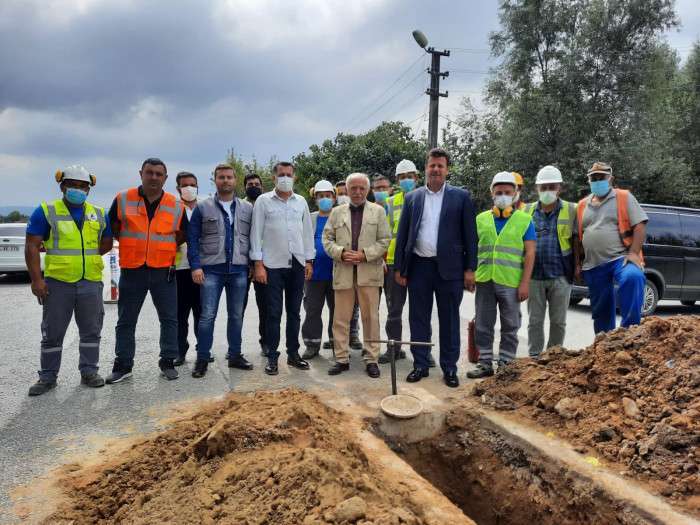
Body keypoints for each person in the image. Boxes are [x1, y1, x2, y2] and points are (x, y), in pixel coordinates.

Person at [394, 149, 478, 388]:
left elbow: (470, 236)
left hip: (450, 270)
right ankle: (420, 364)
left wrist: (470, 268)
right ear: (426, 169)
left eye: (440, 166)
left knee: (450, 320)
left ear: (447, 170)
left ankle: (449, 368)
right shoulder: (413, 198)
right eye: (432, 165)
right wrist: (400, 268)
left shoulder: (461, 197)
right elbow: (403, 236)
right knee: (418, 318)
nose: (436, 169)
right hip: (419, 267)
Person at [25, 166, 112, 395]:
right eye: (72, 185)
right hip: (58, 283)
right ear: (62, 186)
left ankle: (89, 371)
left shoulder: (99, 213)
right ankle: (47, 377)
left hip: (90, 281)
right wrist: (36, 281)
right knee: (52, 332)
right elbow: (32, 246)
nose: (78, 190)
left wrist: (87, 259)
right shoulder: (46, 211)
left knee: (91, 330)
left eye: (83, 186)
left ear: (89, 190)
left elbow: (106, 242)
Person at [106, 158, 187, 383]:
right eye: (149, 172)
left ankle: (168, 361)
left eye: (158, 174)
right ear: (141, 173)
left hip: (164, 270)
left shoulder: (176, 204)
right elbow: (112, 228)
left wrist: (161, 248)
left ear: (165, 178)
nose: (154, 177)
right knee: (126, 320)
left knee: (169, 319)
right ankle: (123, 365)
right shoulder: (123, 199)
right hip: (133, 269)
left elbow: (182, 234)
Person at [187, 164, 254, 378]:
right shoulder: (203, 207)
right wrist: (196, 266)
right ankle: (202, 358)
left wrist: (253, 264)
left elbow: (253, 238)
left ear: (235, 180)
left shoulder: (247, 208)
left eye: (229, 177)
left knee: (236, 315)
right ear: (215, 180)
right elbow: (192, 238)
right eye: (221, 177)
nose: (225, 180)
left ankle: (235, 355)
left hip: (239, 270)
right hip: (211, 271)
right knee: (207, 316)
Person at [467, 171, 536, 379]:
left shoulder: (525, 220)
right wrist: (470, 273)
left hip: (511, 282)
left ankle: (506, 364)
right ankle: (485, 363)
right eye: (499, 192)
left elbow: (530, 253)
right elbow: (472, 249)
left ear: (515, 193)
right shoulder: (480, 219)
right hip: (485, 279)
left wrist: (525, 283)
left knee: (510, 325)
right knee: (483, 324)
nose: (503, 196)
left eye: (507, 192)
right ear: (492, 194)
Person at [250, 161, 315, 375]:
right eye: (281, 174)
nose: (285, 178)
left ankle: (293, 354)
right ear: (274, 177)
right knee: (273, 313)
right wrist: (258, 264)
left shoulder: (301, 201)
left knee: (294, 312)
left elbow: (307, 233)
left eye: (289, 174)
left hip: (297, 263)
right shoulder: (263, 201)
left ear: (294, 177)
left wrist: (308, 260)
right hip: (272, 265)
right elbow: (256, 233)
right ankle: (272, 357)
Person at [323, 173, 391, 377]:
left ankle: (371, 359)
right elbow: (327, 239)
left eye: (362, 188)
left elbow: (385, 240)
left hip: (369, 272)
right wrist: (341, 253)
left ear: (368, 190)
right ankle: (341, 359)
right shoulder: (336, 212)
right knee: (340, 318)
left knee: (370, 318)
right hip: (343, 271)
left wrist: (365, 255)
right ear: (347, 189)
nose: (358, 192)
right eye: (353, 188)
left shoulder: (378, 212)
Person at [576, 162, 647, 334]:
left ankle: (630, 332)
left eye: (601, 177)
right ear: (589, 181)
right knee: (601, 309)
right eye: (594, 178)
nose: (597, 181)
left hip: (620, 258)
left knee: (633, 277)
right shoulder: (582, 205)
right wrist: (577, 264)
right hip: (593, 264)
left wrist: (634, 253)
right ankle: (604, 342)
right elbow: (577, 237)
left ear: (610, 179)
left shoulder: (624, 197)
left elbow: (640, 224)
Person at [524, 166, 576, 357]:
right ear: (537, 188)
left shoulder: (571, 209)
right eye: (543, 187)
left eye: (551, 187)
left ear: (559, 188)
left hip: (560, 275)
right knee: (534, 321)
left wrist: (577, 267)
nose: (547, 191)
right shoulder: (526, 210)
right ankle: (535, 357)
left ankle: (553, 357)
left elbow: (577, 240)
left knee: (558, 322)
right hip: (534, 276)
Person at [380, 159, 422, 365]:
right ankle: (394, 349)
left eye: (409, 176)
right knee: (394, 310)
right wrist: (382, 259)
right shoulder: (390, 202)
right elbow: (384, 233)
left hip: (419, 262)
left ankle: (423, 351)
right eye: (402, 177)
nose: (406, 180)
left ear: (417, 178)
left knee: (420, 310)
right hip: (393, 262)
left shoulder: (425, 198)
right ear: (397, 180)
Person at [173, 171, 207, 366]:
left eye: (192, 185)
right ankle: (180, 350)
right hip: (179, 268)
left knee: (202, 312)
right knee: (180, 313)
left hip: (202, 267)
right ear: (178, 188)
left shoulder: (205, 206)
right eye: (185, 185)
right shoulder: (173, 207)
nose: (189, 188)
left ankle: (203, 348)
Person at [301, 180, 336, 359]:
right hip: (314, 273)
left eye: (328, 196)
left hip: (337, 273)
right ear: (315, 198)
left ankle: (337, 343)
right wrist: (306, 262)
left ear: (334, 197)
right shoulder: (310, 217)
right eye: (321, 196)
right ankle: (312, 344)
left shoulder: (340, 216)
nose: (324, 199)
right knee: (312, 310)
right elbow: (303, 240)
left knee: (338, 311)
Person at [333, 181, 363, 351]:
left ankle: (353, 334)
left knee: (354, 304)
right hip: (334, 265)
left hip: (354, 265)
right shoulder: (334, 213)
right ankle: (335, 338)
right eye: (340, 193)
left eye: (346, 192)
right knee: (337, 307)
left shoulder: (359, 212)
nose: (343, 196)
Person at [242, 172, 268, 356]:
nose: (253, 187)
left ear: (262, 187)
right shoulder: (239, 206)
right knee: (238, 308)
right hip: (242, 264)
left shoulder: (267, 205)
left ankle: (266, 343)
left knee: (265, 307)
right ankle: (235, 347)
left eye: (257, 184)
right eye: (250, 184)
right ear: (244, 187)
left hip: (263, 264)